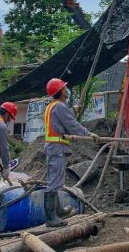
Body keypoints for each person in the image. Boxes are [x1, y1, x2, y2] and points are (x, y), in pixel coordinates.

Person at [43, 77, 98, 227]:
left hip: (52, 147)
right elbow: (71, 124)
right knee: (55, 182)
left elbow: (63, 117)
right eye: (64, 88)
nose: (66, 90)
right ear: (60, 91)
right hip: (57, 148)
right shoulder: (59, 106)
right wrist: (89, 134)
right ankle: (51, 217)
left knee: (55, 180)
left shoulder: (52, 106)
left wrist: (73, 109)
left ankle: (58, 210)